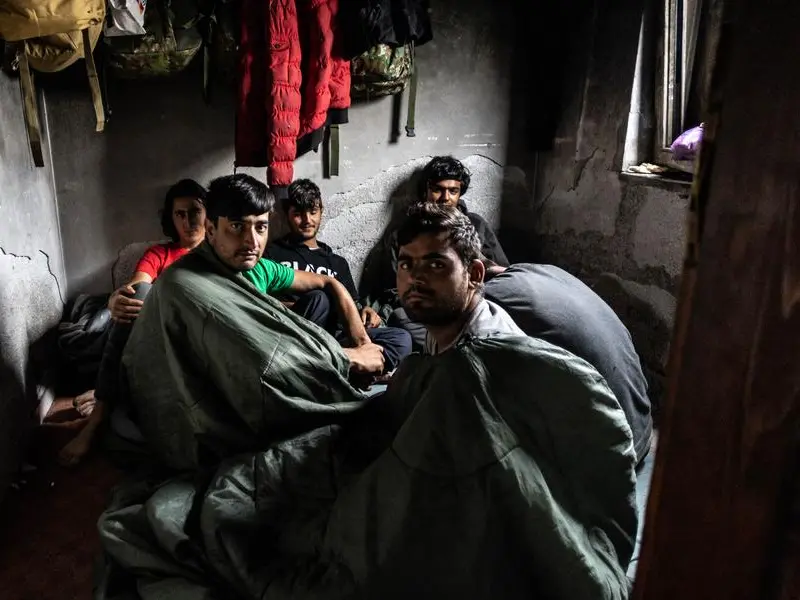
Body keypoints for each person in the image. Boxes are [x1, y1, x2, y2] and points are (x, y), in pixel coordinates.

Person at [59, 179, 208, 466]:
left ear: (208, 213)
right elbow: (137, 286)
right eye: (180, 214)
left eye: (195, 211)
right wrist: (117, 298)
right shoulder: (160, 254)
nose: (188, 221)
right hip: (155, 337)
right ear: (171, 219)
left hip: (197, 338)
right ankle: (98, 417)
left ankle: (108, 399)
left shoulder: (218, 253)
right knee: (136, 296)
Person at [483, 261, 654, 465]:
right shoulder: (545, 270)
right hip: (642, 428)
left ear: (476, 273)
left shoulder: (490, 303)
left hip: (612, 460)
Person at [265, 179, 412, 374]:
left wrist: (365, 312)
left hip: (337, 336)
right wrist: (310, 304)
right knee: (320, 298)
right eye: (298, 214)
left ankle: (351, 370)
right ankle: (327, 368)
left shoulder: (337, 262)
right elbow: (262, 302)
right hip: (298, 333)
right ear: (287, 214)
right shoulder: (273, 253)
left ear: (321, 211)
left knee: (401, 339)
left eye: (313, 212)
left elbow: (352, 305)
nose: (307, 219)